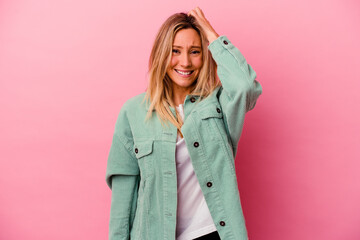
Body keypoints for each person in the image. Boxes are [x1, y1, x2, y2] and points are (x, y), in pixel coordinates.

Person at [105, 7, 263, 240]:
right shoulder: (134, 112)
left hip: (212, 232)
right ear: (162, 53)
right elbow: (123, 202)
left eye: (195, 51)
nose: (185, 62)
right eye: (175, 51)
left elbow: (245, 87)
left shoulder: (218, 104)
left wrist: (211, 35)